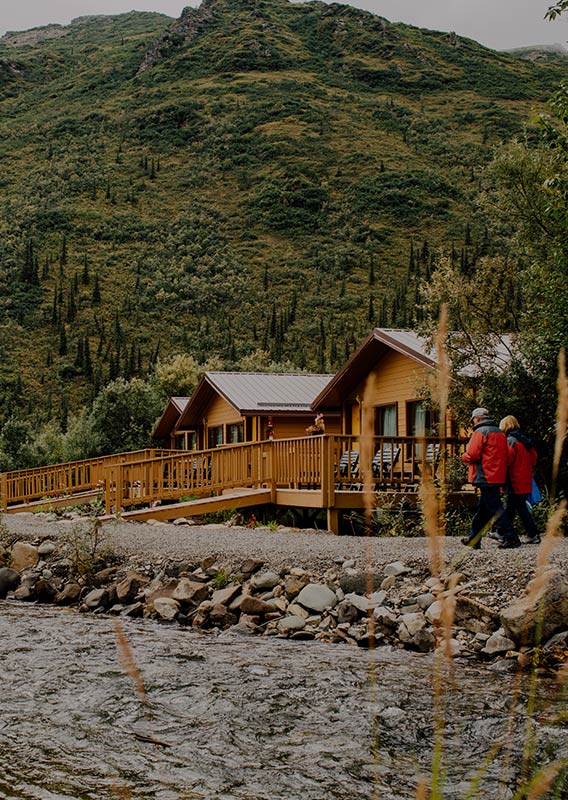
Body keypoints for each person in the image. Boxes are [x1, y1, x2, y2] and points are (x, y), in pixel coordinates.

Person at [460, 407, 521, 549]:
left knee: (495, 508)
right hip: (497, 476)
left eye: (473, 420)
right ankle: (474, 539)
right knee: (483, 509)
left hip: (485, 476)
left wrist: (463, 456)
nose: (473, 422)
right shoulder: (500, 433)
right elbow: (509, 455)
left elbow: (472, 454)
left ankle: (511, 537)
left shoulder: (480, 432)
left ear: (478, 418)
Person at [497, 415, 541, 544]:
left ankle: (532, 534)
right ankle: (502, 532)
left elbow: (507, 460)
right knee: (513, 507)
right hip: (525, 479)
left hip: (513, 479)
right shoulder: (526, 442)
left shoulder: (510, 441)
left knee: (518, 508)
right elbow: (534, 459)